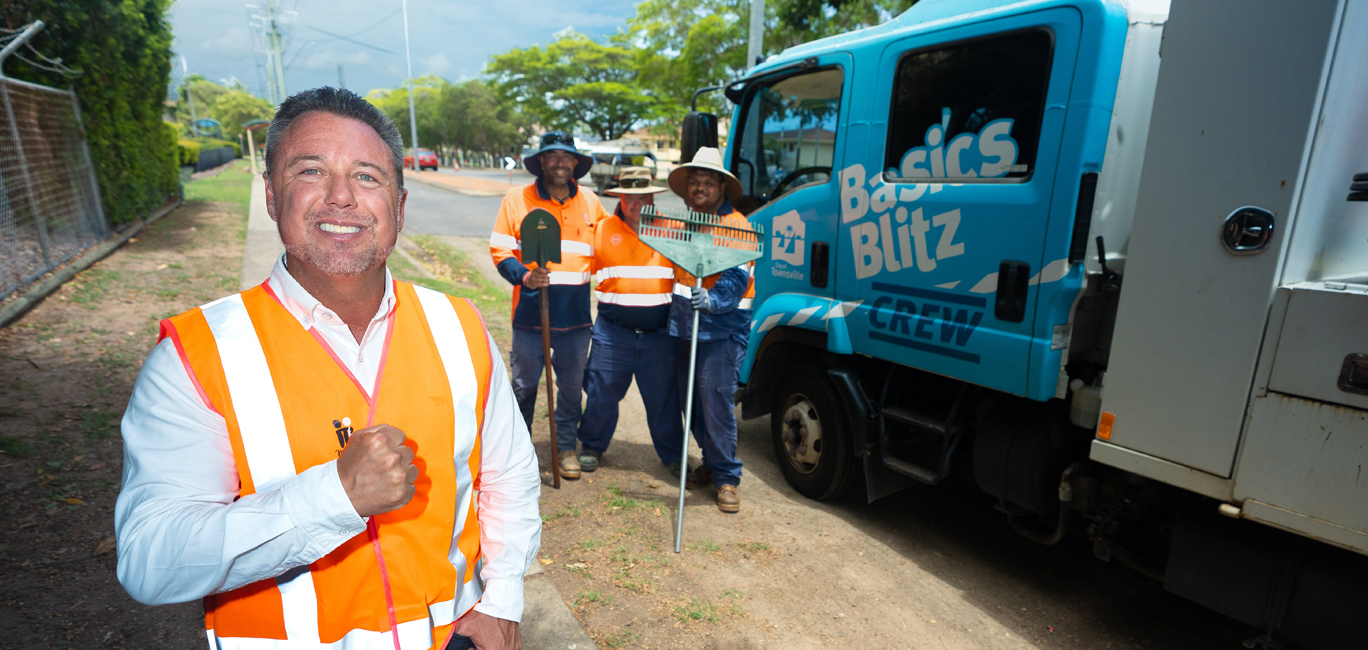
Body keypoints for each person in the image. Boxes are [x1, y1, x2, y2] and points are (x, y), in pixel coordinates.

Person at [114, 87, 541, 650]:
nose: (341, 196)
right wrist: (335, 497)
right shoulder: (196, 355)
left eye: (367, 176)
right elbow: (150, 560)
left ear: (399, 206)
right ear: (272, 195)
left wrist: (503, 600)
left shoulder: (458, 325)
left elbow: (508, 475)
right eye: (311, 170)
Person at [489, 131, 610, 480]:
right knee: (524, 386)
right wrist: (524, 276)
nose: (560, 163)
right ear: (541, 162)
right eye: (552, 156)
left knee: (571, 388)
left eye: (566, 156)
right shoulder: (517, 199)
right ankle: (518, 452)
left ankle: (566, 448)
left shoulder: (590, 202)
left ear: (575, 163)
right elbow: (500, 249)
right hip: (531, 313)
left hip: (575, 317)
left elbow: (606, 249)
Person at [574, 167, 686, 475]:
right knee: (601, 391)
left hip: (659, 335)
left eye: (642, 197)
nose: (636, 204)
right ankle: (592, 445)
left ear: (653, 198)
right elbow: (576, 265)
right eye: (629, 198)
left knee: (663, 398)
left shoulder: (674, 230)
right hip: (613, 334)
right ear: (620, 199)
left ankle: (673, 455)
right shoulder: (601, 229)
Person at [667, 147, 756, 513]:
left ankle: (727, 478)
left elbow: (736, 279)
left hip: (722, 332)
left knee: (716, 405)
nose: (699, 188)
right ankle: (710, 460)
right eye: (694, 182)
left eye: (707, 182)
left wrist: (714, 301)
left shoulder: (737, 225)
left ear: (722, 188)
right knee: (694, 405)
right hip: (685, 330)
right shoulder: (687, 225)